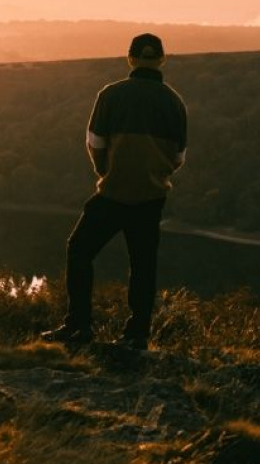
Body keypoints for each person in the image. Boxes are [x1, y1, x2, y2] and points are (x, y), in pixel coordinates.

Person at [41, 33, 188, 350]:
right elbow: (178, 157)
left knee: (79, 250)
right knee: (143, 265)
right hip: (151, 197)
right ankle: (137, 334)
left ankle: (79, 326)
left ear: (131, 59)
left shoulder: (111, 95)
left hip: (112, 193)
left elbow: (95, 143)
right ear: (162, 60)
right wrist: (153, 174)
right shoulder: (174, 102)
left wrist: (106, 171)